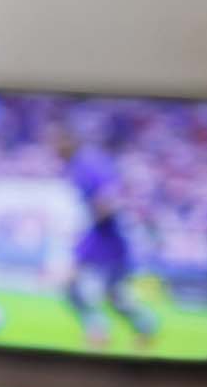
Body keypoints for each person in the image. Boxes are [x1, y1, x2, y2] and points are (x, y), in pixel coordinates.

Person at [61, 132, 157, 349]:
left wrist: (100, 213)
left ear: (69, 140)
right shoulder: (79, 165)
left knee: (83, 288)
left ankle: (124, 328)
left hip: (107, 236)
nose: (53, 147)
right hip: (100, 235)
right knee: (90, 291)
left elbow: (109, 197)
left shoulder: (88, 163)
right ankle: (109, 330)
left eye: (57, 140)